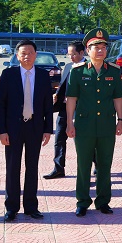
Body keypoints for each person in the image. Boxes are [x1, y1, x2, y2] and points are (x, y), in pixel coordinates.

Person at [66, 28, 122, 217]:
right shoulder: (78, 71)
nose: (100, 51)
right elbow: (71, 98)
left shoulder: (114, 71)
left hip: (107, 124)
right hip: (84, 125)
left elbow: (118, 97)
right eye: (96, 47)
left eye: (103, 47)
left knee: (105, 164)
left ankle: (103, 201)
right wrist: (69, 122)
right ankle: (82, 201)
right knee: (83, 164)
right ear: (88, 50)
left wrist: (120, 120)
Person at [0, 39, 54, 221]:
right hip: (13, 128)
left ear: (36, 55)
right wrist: (2, 130)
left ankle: (31, 206)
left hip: (35, 127)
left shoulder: (43, 75)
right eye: (23, 53)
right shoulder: (8, 74)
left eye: (30, 53)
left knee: (32, 167)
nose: (27, 56)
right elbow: (1, 104)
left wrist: (48, 129)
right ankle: (11, 207)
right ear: (17, 56)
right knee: (13, 167)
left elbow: (47, 104)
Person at [44, 41, 86, 179]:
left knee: (83, 141)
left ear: (82, 52)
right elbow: (63, 84)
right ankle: (58, 168)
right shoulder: (68, 66)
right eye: (69, 54)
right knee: (59, 139)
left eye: (73, 54)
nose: (70, 57)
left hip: (80, 109)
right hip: (64, 108)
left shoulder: (88, 68)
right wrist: (57, 95)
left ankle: (93, 167)